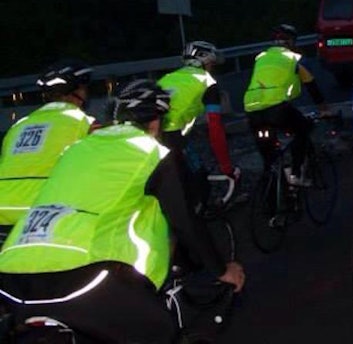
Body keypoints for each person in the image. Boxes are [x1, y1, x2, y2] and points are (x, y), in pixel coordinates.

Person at [0, 79, 244, 344]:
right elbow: (184, 220)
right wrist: (221, 270)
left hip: (12, 277)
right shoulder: (153, 151)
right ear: (155, 123)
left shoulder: (76, 149)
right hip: (84, 278)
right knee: (162, 332)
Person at [0, 60, 96, 231]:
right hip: (41, 214)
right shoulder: (83, 123)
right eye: (84, 89)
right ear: (75, 93)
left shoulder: (19, 126)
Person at [243, 23, 328, 186]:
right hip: (277, 107)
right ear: (291, 42)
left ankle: (273, 201)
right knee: (303, 130)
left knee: (269, 159)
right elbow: (311, 84)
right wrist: (323, 108)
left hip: (251, 109)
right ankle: (296, 175)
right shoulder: (292, 58)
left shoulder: (261, 57)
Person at [157, 41, 239, 200]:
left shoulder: (169, 77)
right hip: (172, 136)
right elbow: (215, 129)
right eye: (212, 64)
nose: (212, 68)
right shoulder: (208, 83)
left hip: (149, 133)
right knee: (199, 180)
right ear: (205, 61)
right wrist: (226, 167)